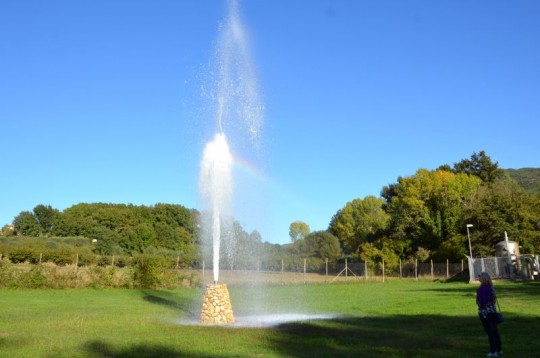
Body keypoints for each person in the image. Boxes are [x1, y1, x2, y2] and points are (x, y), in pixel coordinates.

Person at [476, 272, 502, 356]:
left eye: (479, 277)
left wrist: (478, 301)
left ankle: (493, 351)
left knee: (490, 332)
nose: (478, 278)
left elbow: (482, 302)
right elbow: (493, 300)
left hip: (485, 313)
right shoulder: (491, 288)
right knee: (495, 331)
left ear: (482, 279)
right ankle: (499, 349)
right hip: (492, 311)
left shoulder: (481, 289)